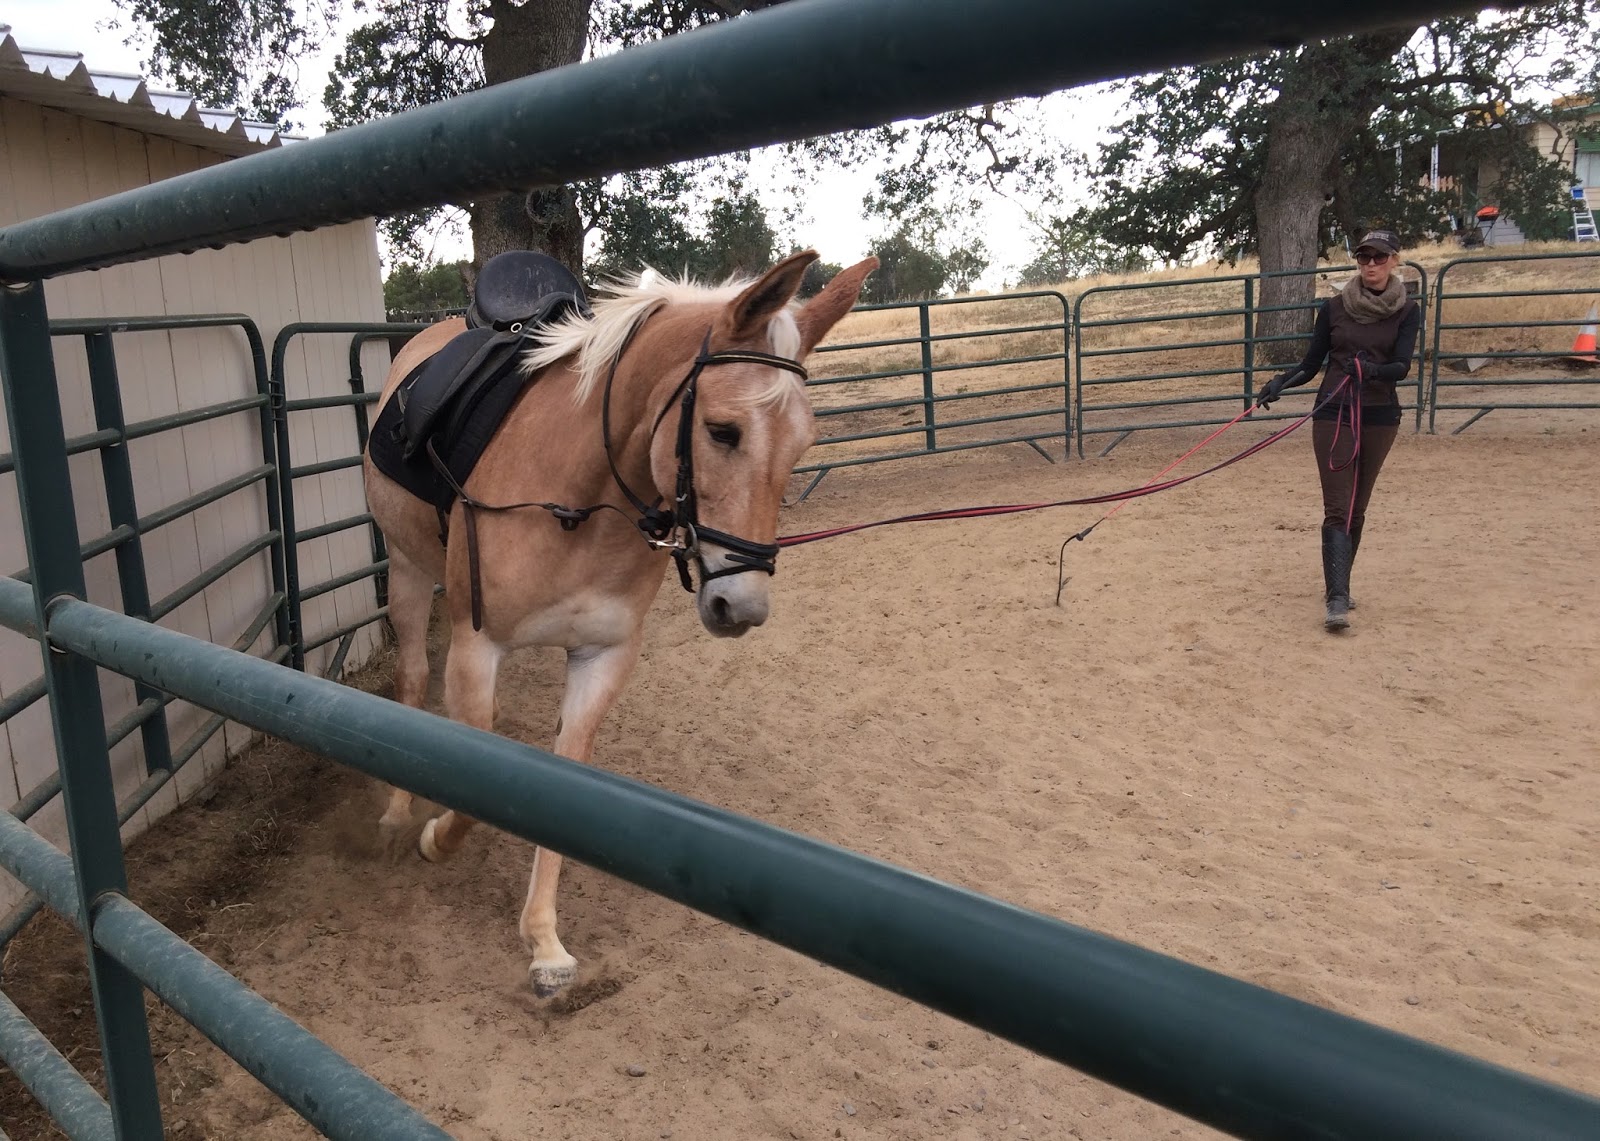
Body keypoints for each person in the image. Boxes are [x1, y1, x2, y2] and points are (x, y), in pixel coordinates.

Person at [1255, 228, 1421, 631]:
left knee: (1357, 508)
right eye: (1364, 257)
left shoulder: (1407, 310)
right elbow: (1312, 364)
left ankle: (1340, 582)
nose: (1370, 264)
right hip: (1334, 411)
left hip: (1380, 414)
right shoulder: (1333, 308)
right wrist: (1280, 383)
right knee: (1338, 508)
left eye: (1379, 257)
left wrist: (1373, 371)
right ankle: (1337, 600)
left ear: (1394, 260)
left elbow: (1402, 366)